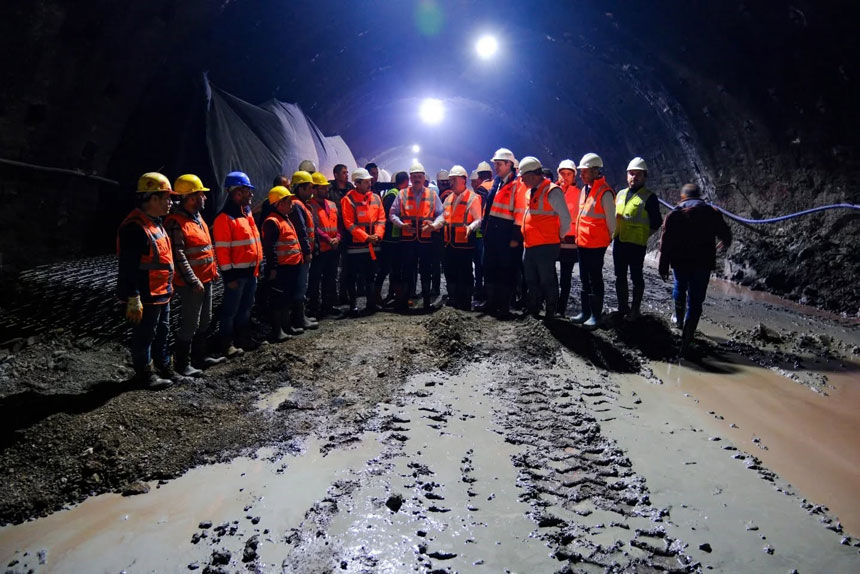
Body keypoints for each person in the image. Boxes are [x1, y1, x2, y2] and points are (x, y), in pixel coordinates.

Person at [116, 172, 177, 387]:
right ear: (153, 198)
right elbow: (128, 266)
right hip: (146, 293)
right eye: (167, 197)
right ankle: (145, 375)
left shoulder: (155, 223)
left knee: (162, 332)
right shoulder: (135, 227)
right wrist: (133, 296)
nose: (171, 202)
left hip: (161, 291)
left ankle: (164, 367)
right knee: (145, 335)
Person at [658, 183, 732, 355]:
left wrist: (663, 265)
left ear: (683, 197)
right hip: (703, 263)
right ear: (699, 196)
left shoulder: (674, 214)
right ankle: (687, 338)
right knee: (696, 300)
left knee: (679, 287)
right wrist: (720, 245)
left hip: (680, 262)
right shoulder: (712, 212)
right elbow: (726, 235)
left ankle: (678, 320)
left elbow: (665, 242)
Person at [164, 174, 224, 378]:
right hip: (191, 283)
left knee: (205, 320)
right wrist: (193, 280)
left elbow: (206, 247)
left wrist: (213, 270)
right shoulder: (175, 222)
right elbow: (178, 256)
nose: (204, 198)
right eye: (200, 194)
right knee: (190, 323)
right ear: (190, 197)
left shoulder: (197, 218)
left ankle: (200, 357)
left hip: (205, 278)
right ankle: (183, 363)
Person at [212, 171, 263, 357]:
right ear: (237, 192)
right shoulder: (224, 218)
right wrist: (229, 277)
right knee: (230, 312)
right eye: (248, 191)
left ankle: (244, 339)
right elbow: (222, 252)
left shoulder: (246, 215)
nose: (251, 195)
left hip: (250, 273)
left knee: (245, 309)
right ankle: (226, 344)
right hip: (236, 276)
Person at [476, 148, 526, 319]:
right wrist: (485, 230)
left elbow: (520, 212)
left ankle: (504, 306)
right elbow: (489, 208)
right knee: (490, 268)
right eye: (495, 164)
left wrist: (515, 237)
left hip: (507, 233)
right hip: (492, 232)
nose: (495, 167)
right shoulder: (497, 183)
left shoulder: (518, 185)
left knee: (506, 270)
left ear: (509, 164)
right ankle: (491, 302)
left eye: (498, 164)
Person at [519, 157, 571, 321]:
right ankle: (533, 309)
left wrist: (559, 236)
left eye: (523, 177)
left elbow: (566, 218)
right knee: (531, 279)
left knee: (547, 280)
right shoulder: (529, 192)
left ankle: (551, 312)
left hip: (546, 245)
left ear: (532, 175)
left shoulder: (552, 191)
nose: (521, 180)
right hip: (530, 244)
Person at [390, 162, 443, 311]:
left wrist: (434, 226)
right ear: (410, 178)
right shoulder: (402, 194)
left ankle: (426, 302)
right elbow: (392, 214)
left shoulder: (432, 195)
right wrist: (402, 225)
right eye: (414, 177)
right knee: (407, 271)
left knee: (426, 271)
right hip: (408, 240)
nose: (417, 179)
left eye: (419, 176)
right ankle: (405, 302)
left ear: (424, 178)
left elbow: (441, 214)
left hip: (426, 240)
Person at [570, 153, 615, 330]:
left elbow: (611, 223)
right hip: (582, 242)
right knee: (584, 278)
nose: (581, 175)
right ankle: (585, 312)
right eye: (581, 171)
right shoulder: (585, 190)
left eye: (585, 171)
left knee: (595, 278)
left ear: (596, 171)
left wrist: (606, 239)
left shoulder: (605, 192)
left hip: (596, 245)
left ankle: (596, 316)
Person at [614, 157, 662, 320]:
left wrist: (642, 235)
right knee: (620, 276)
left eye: (638, 174)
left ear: (644, 177)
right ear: (627, 175)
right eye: (631, 173)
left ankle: (635, 310)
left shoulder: (649, 197)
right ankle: (622, 306)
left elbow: (656, 222)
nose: (634, 177)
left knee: (636, 277)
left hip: (636, 245)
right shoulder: (620, 194)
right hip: (619, 242)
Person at [432, 165, 482, 310]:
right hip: (449, 243)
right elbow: (443, 218)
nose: (451, 183)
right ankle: (453, 299)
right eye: (450, 180)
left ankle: (465, 301)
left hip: (465, 244)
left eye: (454, 179)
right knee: (450, 272)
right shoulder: (448, 199)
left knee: (465, 273)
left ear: (463, 180)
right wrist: (434, 226)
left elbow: (479, 219)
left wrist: (470, 227)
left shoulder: (473, 198)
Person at [262, 185, 304, 341]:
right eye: (288, 201)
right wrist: (273, 268)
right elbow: (270, 248)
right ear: (279, 204)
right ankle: (277, 331)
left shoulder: (284, 219)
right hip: (281, 268)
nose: (291, 204)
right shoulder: (272, 222)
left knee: (287, 298)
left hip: (291, 266)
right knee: (278, 300)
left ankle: (286, 327)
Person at [341, 168, 386, 314]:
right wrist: (366, 237)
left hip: (372, 244)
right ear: (357, 183)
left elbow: (381, 219)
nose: (369, 184)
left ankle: (371, 304)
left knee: (370, 275)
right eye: (366, 182)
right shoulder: (348, 200)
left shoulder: (376, 198)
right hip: (355, 245)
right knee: (352, 276)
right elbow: (349, 223)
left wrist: (377, 235)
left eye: (369, 181)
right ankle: (353, 305)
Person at [308, 171, 342, 318]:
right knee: (315, 279)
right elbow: (314, 227)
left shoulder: (332, 205)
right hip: (320, 249)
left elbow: (339, 225)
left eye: (326, 187)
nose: (326, 190)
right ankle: (314, 308)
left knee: (331, 278)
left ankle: (328, 305)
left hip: (333, 248)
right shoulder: (310, 206)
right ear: (314, 189)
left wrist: (338, 238)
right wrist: (329, 239)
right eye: (322, 188)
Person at [288, 171, 319, 331]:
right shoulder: (297, 206)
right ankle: (299, 319)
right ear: (300, 188)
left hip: (302, 253)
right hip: (300, 254)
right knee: (300, 287)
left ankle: (301, 316)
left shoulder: (301, 205)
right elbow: (301, 231)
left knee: (302, 286)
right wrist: (307, 251)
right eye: (310, 188)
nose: (312, 191)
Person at [376, 171, 409, 308]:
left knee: (395, 268)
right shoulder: (394, 195)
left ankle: (397, 296)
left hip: (394, 238)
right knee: (386, 268)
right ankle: (376, 296)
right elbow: (389, 216)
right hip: (389, 239)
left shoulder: (394, 193)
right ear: (406, 182)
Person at [556, 159, 580, 315]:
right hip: (551, 239)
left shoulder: (579, 194)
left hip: (569, 242)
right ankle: (550, 303)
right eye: (562, 173)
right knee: (548, 274)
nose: (565, 177)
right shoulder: (552, 191)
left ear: (573, 176)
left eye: (568, 174)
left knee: (565, 278)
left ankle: (561, 308)